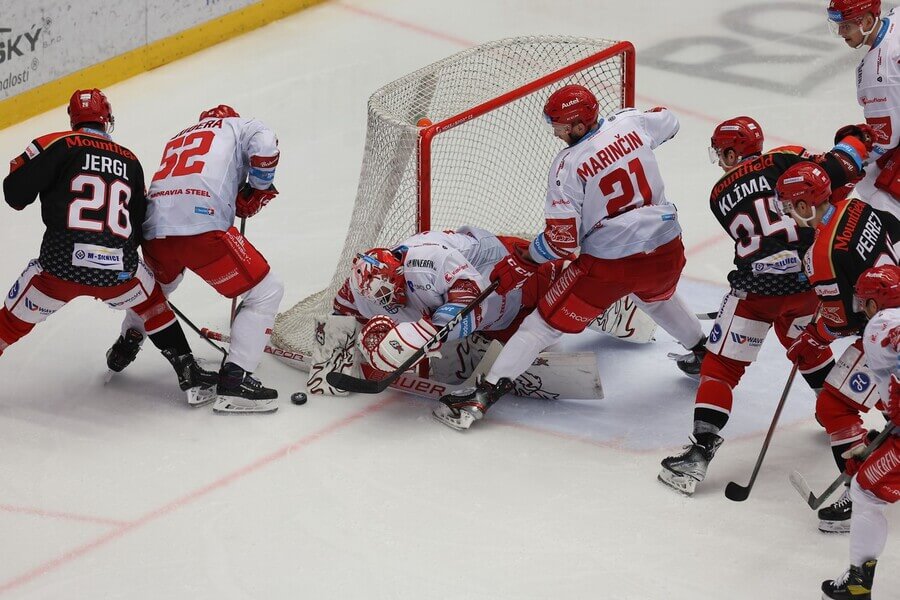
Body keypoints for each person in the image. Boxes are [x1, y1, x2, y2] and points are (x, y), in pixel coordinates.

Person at [433, 85, 706, 431]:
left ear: (578, 125)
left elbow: (562, 243)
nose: (556, 132)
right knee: (656, 296)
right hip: (667, 250)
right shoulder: (631, 123)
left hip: (610, 266)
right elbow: (670, 121)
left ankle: (480, 396)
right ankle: (703, 351)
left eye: (560, 125)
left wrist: (526, 260)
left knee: (541, 325)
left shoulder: (567, 166)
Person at [658, 117, 872, 495]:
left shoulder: (718, 193)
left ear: (729, 152)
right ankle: (837, 419)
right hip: (809, 281)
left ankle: (699, 453)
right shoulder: (786, 159)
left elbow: (760, 235)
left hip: (756, 291)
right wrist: (855, 140)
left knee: (720, 367)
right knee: (807, 346)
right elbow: (838, 170)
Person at [1, 89, 218, 403]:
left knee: (9, 322)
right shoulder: (129, 159)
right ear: (107, 120)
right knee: (153, 303)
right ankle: (189, 373)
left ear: (73, 119)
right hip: (116, 270)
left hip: (60, 269)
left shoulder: (56, 144)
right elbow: (140, 222)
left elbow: (14, 195)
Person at [108, 104, 283, 413]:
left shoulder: (178, 138)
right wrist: (257, 188)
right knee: (267, 291)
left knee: (155, 293)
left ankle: (128, 341)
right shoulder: (236, 126)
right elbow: (266, 144)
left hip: (154, 232)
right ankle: (236, 381)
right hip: (201, 229)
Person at [776, 161, 899, 533]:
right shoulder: (857, 206)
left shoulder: (819, 256)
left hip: (885, 335)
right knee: (888, 404)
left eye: (788, 206)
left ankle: (857, 494)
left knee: (834, 405)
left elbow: (841, 320)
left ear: (803, 205)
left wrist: (813, 338)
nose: (787, 214)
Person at [332, 227, 564, 377]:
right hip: (497, 321)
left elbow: (472, 296)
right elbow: (340, 313)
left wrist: (427, 334)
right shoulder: (360, 288)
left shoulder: (427, 260)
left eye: (385, 292)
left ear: (398, 272)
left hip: (515, 272)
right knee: (534, 345)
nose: (387, 301)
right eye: (377, 297)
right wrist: (332, 366)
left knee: (576, 296)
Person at [821, 265, 899, 600]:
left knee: (865, 492)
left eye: (864, 302)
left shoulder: (882, 323)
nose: (862, 309)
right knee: (868, 481)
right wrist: (874, 448)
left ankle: (856, 585)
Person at [827, 0, 900, 212]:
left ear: (868, 20)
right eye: (838, 26)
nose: (841, 32)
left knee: (869, 181)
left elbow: (886, 140)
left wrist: (849, 158)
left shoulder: (875, 74)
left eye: (846, 26)